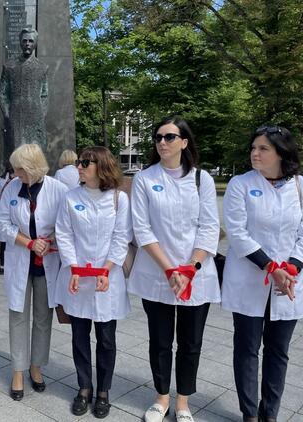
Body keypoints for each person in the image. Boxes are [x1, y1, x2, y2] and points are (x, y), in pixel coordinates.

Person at [128, 117, 220, 422]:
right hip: (158, 272)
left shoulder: (201, 179)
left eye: (169, 137)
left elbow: (210, 227)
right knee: (160, 340)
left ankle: (183, 402)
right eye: (158, 137)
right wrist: (170, 270)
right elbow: (142, 229)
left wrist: (190, 268)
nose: (162, 142)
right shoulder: (144, 178)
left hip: (196, 273)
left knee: (191, 343)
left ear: (184, 142)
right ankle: (161, 397)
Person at [222, 125, 303, 422]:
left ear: (281, 153)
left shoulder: (300, 187)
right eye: (253, 148)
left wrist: (290, 268)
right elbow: (237, 233)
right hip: (249, 278)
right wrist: (272, 268)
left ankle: (270, 414)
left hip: (289, 283)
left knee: (278, 351)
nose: (254, 153)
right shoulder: (241, 184)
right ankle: (250, 414)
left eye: (263, 149)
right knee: (247, 349)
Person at [55, 146, 131, 417]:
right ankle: (84, 387)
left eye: (85, 163)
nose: (79, 167)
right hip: (78, 277)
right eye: (79, 162)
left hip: (106, 278)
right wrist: (74, 268)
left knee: (106, 339)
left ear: (102, 166)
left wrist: (106, 270)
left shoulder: (119, 199)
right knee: (79, 337)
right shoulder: (70, 197)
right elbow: (64, 234)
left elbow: (121, 237)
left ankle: (103, 391)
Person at [0, 144, 67, 400]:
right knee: (18, 315)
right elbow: (2, 222)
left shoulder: (58, 189)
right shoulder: (12, 189)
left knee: (42, 317)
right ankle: (18, 370)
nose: (15, 174)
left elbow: (66, 224)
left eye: (20, 169)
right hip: (20, 260)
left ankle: (36, 366)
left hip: (47, 261)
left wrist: (50, 240)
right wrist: (28, 242)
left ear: (33, 167)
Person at [0, 28, 49, 159]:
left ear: (35, 43)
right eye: (24, 41)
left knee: (36, 157)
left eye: (31, 41)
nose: (27, 44)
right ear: (20, 43)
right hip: (15, 117)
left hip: (36, 117)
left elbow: (44, 95)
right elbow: (3, 94)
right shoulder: (9, 66)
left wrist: (41, 114)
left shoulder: (42, 67)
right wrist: (8, 115)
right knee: (16, 156)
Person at [0, 162, 14, 275]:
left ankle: (2, 266)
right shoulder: (17, 180)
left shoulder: (1, 179)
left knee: (4, 240)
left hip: (3, 208)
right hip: (13, 210)